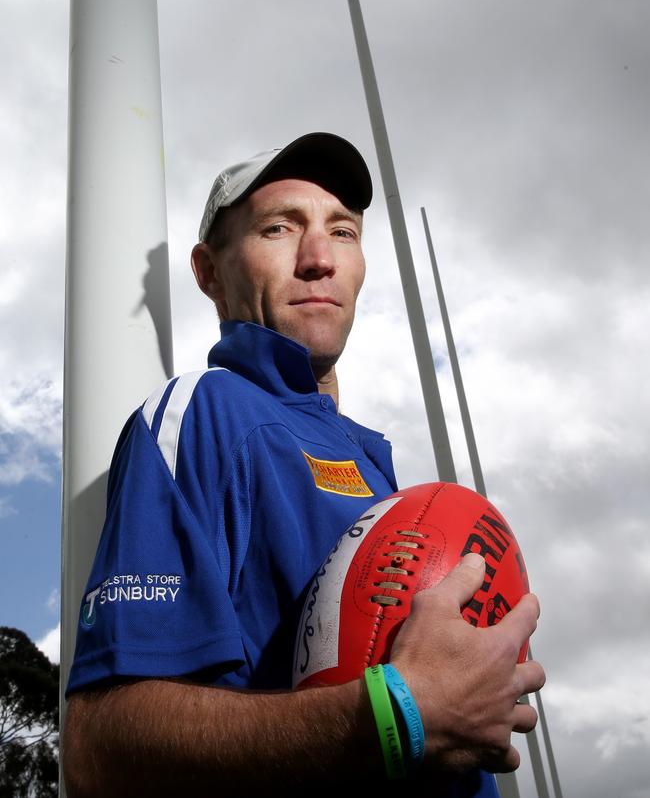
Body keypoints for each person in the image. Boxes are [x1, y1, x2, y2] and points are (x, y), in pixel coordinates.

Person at [63, 132, 544, 797]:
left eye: (343, 232)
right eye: (278, 228)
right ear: (209, 271)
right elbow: (101, 751)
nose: (319, 259)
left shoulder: (374, 465)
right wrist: (397, 715)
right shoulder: (205, 411)